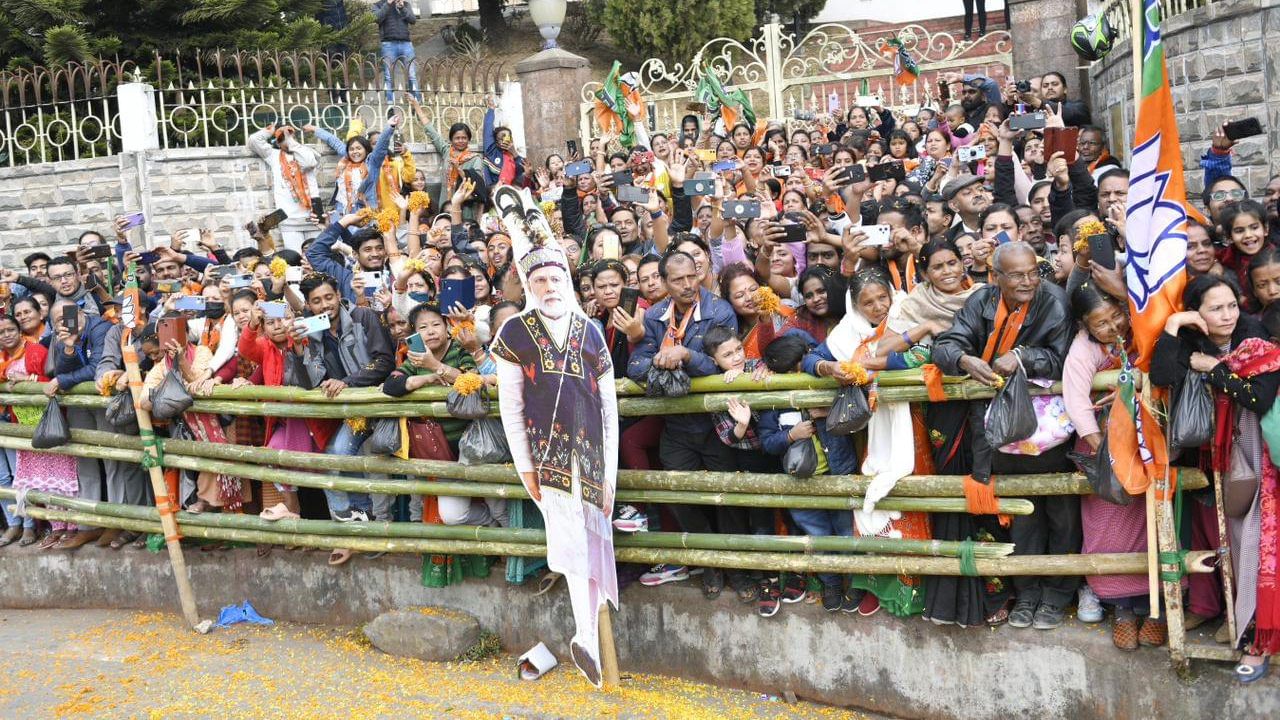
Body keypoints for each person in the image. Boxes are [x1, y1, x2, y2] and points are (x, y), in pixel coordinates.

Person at [492, 205, 619, 686]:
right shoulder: (515, 332)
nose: (548, 286)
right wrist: (526, 466)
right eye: (538, 279)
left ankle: (589, 638)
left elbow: (609, 409)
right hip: (549, 461)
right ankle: (585, 636)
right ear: (529, 285)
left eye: (555, 276)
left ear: (568, 279)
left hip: (591, 460)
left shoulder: (590, 332)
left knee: (591, 544)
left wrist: (608, 477)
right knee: (571, 549)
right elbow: (511, 406)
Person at [933, 241, 1075, 630]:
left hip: (1046, 431)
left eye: (1033, 271)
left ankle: (1058, 594)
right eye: (1016, 275)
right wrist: (964, 358)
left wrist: (1024, 356)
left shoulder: (1055, 302)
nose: (1028, 280)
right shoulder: (982, 301)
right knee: (1020, 514)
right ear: (996, 277)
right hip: (997, 430)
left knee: (1061, 514)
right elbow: (945, 344)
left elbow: (1064, 357)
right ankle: (1026, 592)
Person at [1151, 275, 1279, 682]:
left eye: (1231, 305)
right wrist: (1174, 327)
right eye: (1214, 308)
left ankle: (1260, 644)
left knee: (1262, 547)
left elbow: (1259, 396)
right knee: (1239, 545)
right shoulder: (1194, 339)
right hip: (1222, 462)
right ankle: (1252, 635)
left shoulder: (1255, 338)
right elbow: (1161, 376)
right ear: (1197, 313)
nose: (1227, 315)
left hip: (1262, 458)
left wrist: (1214, 370)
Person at [1062, 283, 1167, 650]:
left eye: (1115, 316)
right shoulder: (1082, 350)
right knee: (1108, 521)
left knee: (1150, 519)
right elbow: (1075, 400)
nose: (1112, 327)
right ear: (1084, 325)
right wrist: (1104, 449)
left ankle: (1157, 610)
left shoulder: (1140, 328)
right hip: (1103, 444)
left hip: (1146, 440)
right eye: (1101, 323)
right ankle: (1122, 608)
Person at [627, 251, 737, 592]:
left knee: (725, 495)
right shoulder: (657, 314)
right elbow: (634, 367)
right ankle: (709, 563)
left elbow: (724, 364)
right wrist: (662, 362)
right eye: (678, 280)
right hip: (675, 425)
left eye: (693, 276)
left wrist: (687, 355)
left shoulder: (719, 310)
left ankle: (737, 567)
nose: (688, 285)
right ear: (663, 283)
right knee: (677, 494)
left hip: (714, 422)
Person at [247, 124, 325, 251]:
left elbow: (309, 163)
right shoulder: (274, 156)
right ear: (277, 143)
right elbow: (253, 141)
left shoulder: (307, 152)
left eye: (289, 135)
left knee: (317, 256)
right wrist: (268, 131)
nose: (287, 139)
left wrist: (291, 142)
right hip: (290, 222)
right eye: (282, 138)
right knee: (295, 258)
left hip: (313, 219)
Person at [373, 0, 419, 103]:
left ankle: (416, 105)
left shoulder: (405, 4)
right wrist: (388, 4)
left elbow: (413, 20)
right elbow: (377, 19)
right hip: (388, 44)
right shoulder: (378, 5)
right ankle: (391, 108)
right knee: (389, 77)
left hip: (406, 44)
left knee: (412, 75)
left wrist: (402, 8)